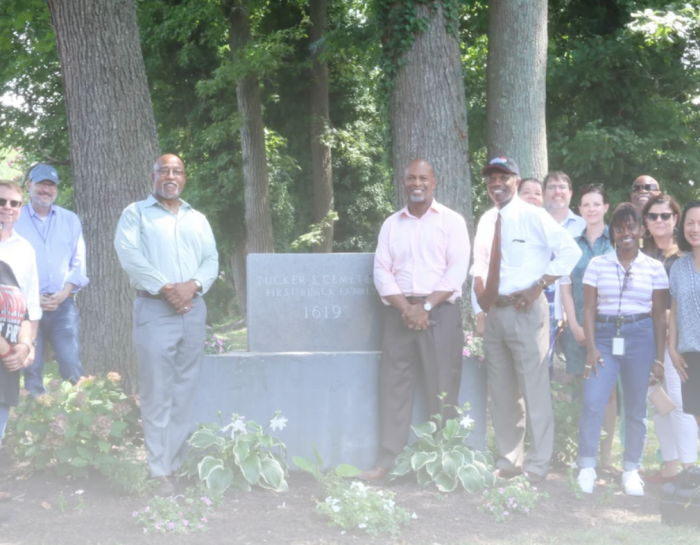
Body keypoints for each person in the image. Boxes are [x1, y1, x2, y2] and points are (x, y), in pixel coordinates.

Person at [114, 155, 219, 496]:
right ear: (153, 176)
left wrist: (193, 285)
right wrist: (168, 288)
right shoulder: (136, 213)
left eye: (177, 171)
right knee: (158, 390)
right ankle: (159, 469)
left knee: (185, 389)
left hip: (193, 310)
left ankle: (177, 463)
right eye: (164, 171)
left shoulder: (197, 218)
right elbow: (129, 255)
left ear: (184, 178)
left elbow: (211, 259)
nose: (170, 176)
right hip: (155, 310)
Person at [359, 159, 470, 481]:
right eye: (410, 178)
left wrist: (427, 307)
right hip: (399, 314)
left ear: (434, 182)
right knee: (394, 387)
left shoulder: (452, 221)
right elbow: (382, 271)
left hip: (441, 313)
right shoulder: (392, 224)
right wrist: (407, 308)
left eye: (423, 178)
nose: (416, 183)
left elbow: (456, 270)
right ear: (403, 182)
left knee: (442, 387)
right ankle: (387, 461)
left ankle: (442, 459)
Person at [473, 157, 581, 483]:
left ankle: (538, 463)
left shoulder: (535, 216)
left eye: (503, 177)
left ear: (516, 181)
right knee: (503, 392)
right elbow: (478, 268)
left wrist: (538, 287)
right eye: (491, 177)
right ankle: (510, 461)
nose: (497, 183)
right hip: (495, 313)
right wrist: (480, 312)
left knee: (534, 390)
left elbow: (570, 252)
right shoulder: (487, 220)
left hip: (525, 311)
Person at [577, 203, 668, 496]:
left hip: (641, 338)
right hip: (604, 336)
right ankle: (587, 466)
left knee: (636, 408)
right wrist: (591, 348)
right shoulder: (597, 265)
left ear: (641, 230)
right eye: (619, 228)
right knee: (593, 400)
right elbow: (588, 309)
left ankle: (631, 469)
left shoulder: (655, 269)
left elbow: (658, 317)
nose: (625, 233)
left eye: (631, 227)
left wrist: (659, 358)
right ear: (612, 232)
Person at [15, 164, 88, 396]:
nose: (46, 189)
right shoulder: (14, 219)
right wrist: (32, 298)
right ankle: (37, 415)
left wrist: (64, 293)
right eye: (41, 184)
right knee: (31, 366)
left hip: (62, 304)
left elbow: (79, 262)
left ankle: (81, 413)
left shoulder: (70, 219)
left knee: (70, 361)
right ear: (29, 186)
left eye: (51, 185)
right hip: (26, 307)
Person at [559, 184, 616, 468]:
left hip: (606, 329)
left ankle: (604, 457)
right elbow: (565, 288)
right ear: (579, 210)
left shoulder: (615, 242)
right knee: (576, 388)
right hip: (577, 328)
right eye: (586, 205)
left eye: (597, 204)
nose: (591, 209)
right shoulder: (572, 244)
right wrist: (574, 325)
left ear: (606, 208)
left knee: (606, 392)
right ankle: (577, 454)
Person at [641, 193, 697, 482]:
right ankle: (671, 466)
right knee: (657, 400)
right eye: (653, 216)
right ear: (646, 222)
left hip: (673, 341)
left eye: (666, 215)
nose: (659, 220)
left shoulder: (685, 258)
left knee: (678, 400)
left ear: (675, 220)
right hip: (645, 339)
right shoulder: (639, 254)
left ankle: (690, 468)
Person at [0, 181, 38, 501]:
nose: (7, 208)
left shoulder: (24, 250)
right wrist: (7, 348)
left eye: (14, 203)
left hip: (9, 359)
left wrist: (26, 346)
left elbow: (28, 306)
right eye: (2, 202)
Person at [542, 171, 586, 369]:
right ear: (544, 193)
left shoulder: (584, 226)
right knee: (541, 367)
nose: (557, 191)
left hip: (576, 309)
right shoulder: (535, 223)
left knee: (580, 368)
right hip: (541, 306)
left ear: (570, 193)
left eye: (562, 187)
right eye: (552, 187)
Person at [669, 200, 700, 427]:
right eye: (690, 222)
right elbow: (674, 312)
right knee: (697, 412)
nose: (695, 228)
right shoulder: (679, 267)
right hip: (690, 353)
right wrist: (672, 348)